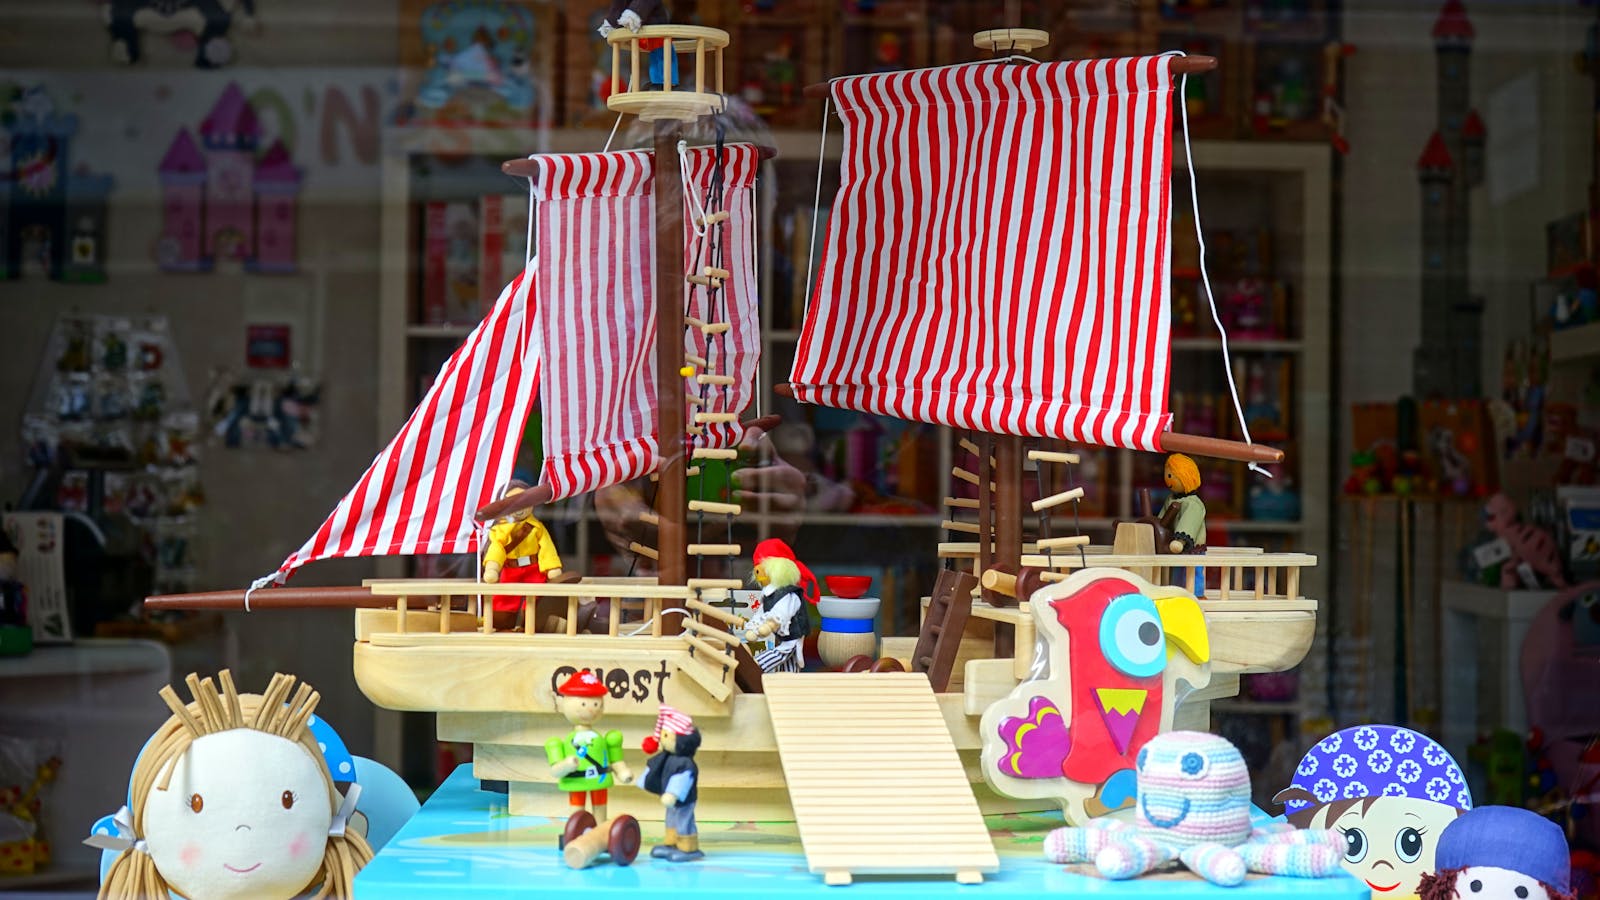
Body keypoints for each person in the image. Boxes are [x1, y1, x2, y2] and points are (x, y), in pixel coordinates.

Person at [545, 671, 633, 822]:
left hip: (600, 779)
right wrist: (566, 765)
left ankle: (600, 829)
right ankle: (576, 829)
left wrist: (623, 772)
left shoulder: (604, 739)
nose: (591, 709)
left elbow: (615, 759)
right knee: (577, 810)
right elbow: (555, 770)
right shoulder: (562, 743)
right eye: (584, 704)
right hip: (576, 779)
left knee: (600, 809)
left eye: (596, 704)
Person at [482, 480, 564, 630]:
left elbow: (547, 548)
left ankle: (531, 625)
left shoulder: (537, 527)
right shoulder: (500, 530)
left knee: (535, 597)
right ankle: (502, 624)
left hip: (533, 568)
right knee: (505, 597)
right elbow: (497, 549)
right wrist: (492, 567)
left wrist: (552, 567)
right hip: (510, 568)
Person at [742, 538, 819, 673]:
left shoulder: (789, 595)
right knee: (788, 666)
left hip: (793, 638)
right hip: (783, 638)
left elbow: (781, 613)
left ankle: (757, 665)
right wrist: (754, 628)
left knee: (780, 654)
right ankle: (787, 684)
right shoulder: (768, 594)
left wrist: (770, 625)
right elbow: (761, 613)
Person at [638, 706, 703, 862]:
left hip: (682, 798)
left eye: (667, 735)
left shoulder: (685, 763)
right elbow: (655, 767)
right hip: (670, 798)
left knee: (683, 820)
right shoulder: (667, 756)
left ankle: (688, 847)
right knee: (671, 819)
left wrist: (672, 793)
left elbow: (682, 779)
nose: (662, 738)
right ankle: (672, 843)